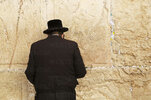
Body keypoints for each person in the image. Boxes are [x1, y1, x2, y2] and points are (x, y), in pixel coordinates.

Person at [25, 19, 87, 100]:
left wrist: (40, 84)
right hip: (67, 95)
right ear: (62, 34)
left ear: (48, 34)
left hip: (43, 95)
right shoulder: (72, 46)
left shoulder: (36, 46)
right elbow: (81, 72)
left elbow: (29, 73)